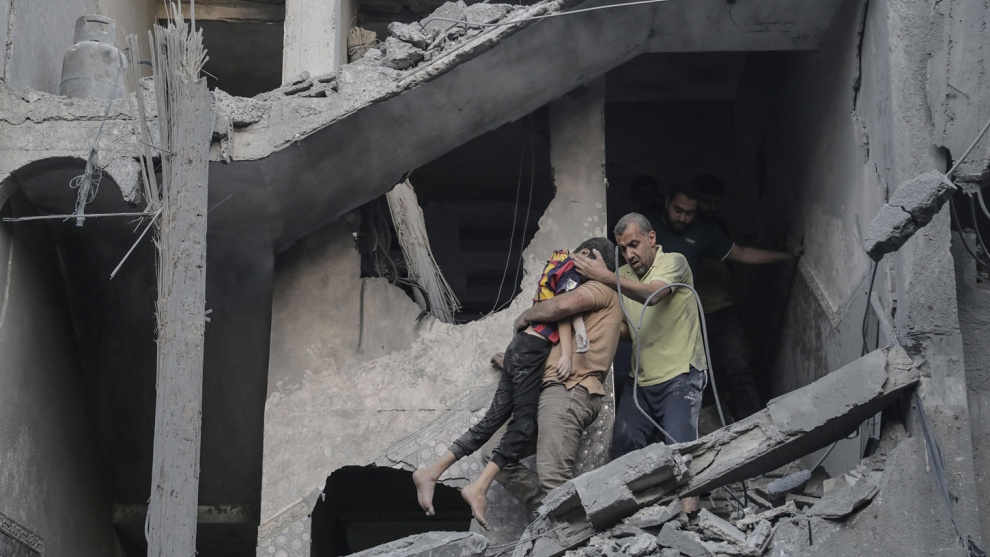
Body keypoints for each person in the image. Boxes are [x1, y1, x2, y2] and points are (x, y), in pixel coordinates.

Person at [412, 237, 614, 529]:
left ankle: (432, 471)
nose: (595, 276)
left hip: (523, 351)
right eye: (596, 269)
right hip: (532, 355)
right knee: (523, 426)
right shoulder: (573, 272)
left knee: (491, 424)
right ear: (586, 254)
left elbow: (563, 309)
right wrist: (566, 353)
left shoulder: (562, 264)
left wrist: (516, 359)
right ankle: (481, 488)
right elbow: (563, 309)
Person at [573, 214, 705, 512]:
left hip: (680, 375)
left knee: (681, 448)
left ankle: (691, 521)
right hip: (641, 380)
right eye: (623, 248)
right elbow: (627, 329)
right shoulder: (622, 275)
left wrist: (603, 276)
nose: (629, 254)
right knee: (624, 441)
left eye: (634, 245)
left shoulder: (674, 262)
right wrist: (586, 328)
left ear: (651, 238)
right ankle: (635, 521)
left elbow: (654, 295)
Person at [481, 242, 622, 512]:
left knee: (553, 476)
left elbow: (563, 304)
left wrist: (527, 315)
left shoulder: (600, 287)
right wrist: (515, 361)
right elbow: (553, 339)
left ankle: (571, 528)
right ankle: (554, 513)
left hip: (569, 389)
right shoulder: (582, 298)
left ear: (588, 257)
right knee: (494, 454)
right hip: (546, 388)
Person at [652, 176, 802, 419]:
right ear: (667, 202)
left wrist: (786, 256)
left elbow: (742, 253)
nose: (682, 218)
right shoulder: (651, 232)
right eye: (678, 210)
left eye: (689, 213)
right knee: (692, 377)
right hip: (682, 319)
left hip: (721, 312)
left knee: (739, 368)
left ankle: (756, 428)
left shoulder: (706, 233)